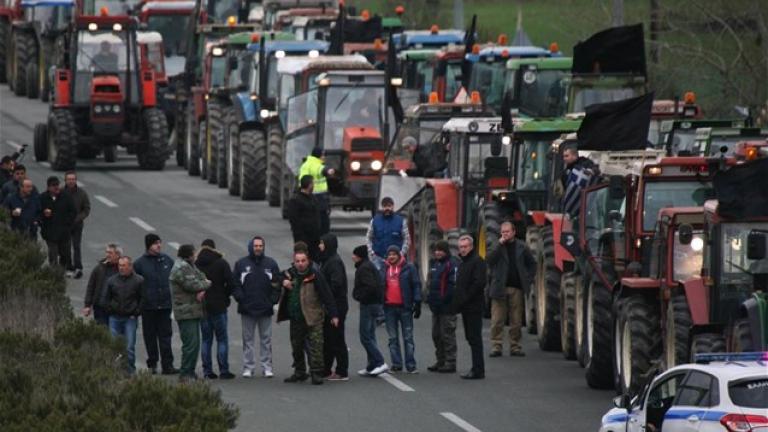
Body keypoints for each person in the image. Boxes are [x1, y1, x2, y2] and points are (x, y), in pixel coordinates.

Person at [277, 248, 339, 385]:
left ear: (308, 261)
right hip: (296, 317)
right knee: (296, 346)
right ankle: (300, 372)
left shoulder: (315, 275)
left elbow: (327, 295)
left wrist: (334, 314)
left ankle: (316, 372)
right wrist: (283, 281)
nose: (300, 264)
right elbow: (277, 276)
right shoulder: (290, 273)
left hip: (313, 317)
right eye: (297, 261)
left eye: (303, 261)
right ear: (294, 262)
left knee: (316, 346)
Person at [232, 236, 281, 379]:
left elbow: (277, 284)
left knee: (266, 339)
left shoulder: (271, 264)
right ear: (251, 247)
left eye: (260, 245)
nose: (258, 248)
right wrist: (241, 298)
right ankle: (248, 367)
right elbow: (235, 284)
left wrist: (272, 300)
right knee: (248, 340)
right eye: (256, 246)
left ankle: (267, 367)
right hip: (247, 309)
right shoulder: (241, 264)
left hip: (265, 309)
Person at [486, 221, 536, 357]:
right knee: (497, 319)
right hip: (499, 287)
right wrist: (499, 244)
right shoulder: (497, 246)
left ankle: (515, 346)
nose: (505, 234)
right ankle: (496, 345)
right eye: (503, 232)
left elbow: (532, 264)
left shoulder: (522, 247)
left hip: (517, 288)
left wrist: (528, 279)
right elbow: (489, 260)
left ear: (513, 232)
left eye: (507, 232)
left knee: (516, 320)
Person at [133, 233, 177, 375]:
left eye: (159, 242)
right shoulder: (140, 263)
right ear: (148, 245)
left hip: (165, 306)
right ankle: (152, 364)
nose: (159, 245)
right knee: (150, 337)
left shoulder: (167, 260)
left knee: (166, 336)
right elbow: (135, 285)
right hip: (148, 307)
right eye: (155, 243)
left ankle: (168, 365)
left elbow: (176, 277)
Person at [195, 239, 235, 380]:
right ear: (214, 248)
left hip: (203, 307)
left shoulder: (196, 264)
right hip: (219, 306)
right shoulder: (221, 263)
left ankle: (207, 371)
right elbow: (231, 283)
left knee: (206, 340)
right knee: (222, 339)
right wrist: (225, 296)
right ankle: (224, 370)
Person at [169, 244, 210, 382]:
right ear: (189, 255)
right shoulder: (181, 268)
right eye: (194, 253)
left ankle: (190, 371)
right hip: (186, 311)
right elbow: (193, 285)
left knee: (195, 344)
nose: (196, 256)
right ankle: (185, 373)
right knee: (190, 345)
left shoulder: (190, 266)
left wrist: (202, 283)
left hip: (192, 310)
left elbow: (201, 276)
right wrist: (205, 285)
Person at [380, 245, 421, 373]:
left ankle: (411, 365)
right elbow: (379, 286)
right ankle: (396, 364)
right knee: (392, 338)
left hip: (405, 307)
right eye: (389, 255)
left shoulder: (409, 268)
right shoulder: (384, 268)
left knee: (408, 338)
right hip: (389, 308)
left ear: (399, 255)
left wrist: (417, 301)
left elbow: (416, 285)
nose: (391, 257)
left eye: (394, 254)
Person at [452, 234, 487, 380]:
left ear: (471, 247)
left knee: (475, 338)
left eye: (465, 247)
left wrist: (466, 298)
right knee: (470, 337)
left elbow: (478, 283)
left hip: (474, 306)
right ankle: (476, 368)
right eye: (461, 247)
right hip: (465, 307)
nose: (463, 249)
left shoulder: (477, 261)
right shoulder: (463, 263)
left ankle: (478, 370)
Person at [352, 245, 388, 376]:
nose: (352, 257)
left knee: (365, 336)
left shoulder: (364, 268)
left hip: (369, 304)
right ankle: (372, 365)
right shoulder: (367, 266)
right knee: (371, 335)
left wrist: (359, 296)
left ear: (359, 256)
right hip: (374, 304)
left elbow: (371, 286)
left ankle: (379, 361)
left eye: (354, 255)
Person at [104, 256, 143, 374]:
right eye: (119, 265)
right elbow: (106, 298)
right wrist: (110, 310)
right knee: (114, 345)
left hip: (130, 318)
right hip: (114, 318)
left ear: (130, 266)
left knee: (129, 347)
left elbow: (143, 299)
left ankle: (130, 372)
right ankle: (115, 370)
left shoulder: (139, 280)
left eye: (124, 265)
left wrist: (136, 313)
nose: (121, 268)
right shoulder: (111, 280)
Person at [425, 240, 459, 373]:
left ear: (446, 251)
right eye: (436, 250)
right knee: (436, 335)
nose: (438, 252)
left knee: (448, 335)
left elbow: (453, 286)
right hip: (436, 307)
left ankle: (450, 362)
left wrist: (444, 300)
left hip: (447, 307)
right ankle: (440, 361)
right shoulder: (434, 264)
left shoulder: (452, 264)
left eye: (440, 250)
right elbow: (430, 283)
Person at [319, 233, 349, 381]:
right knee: (329, 339)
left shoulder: (334, 262)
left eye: (322, 243)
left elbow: (336, 285)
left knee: (337, 340)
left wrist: (324, 293)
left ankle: (342, 371)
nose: (320, 246)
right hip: (331, 306)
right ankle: (326, 369)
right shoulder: (327, 260)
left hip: (336, 307)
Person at [39, 176, 76, 269]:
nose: (56, 187)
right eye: (53, 185)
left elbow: (73, 211)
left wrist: (67, 223)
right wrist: (43, 215)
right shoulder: (42, 198)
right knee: (53, 253)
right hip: (50, 232)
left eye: (57, 185)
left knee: (65, 254)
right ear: (48, 187)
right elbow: (37, 212)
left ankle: (62, 269)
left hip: (64, 232)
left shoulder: (66, 196)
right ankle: (54, 273)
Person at [297, 148, 335, 235]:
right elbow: (319, 169)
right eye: (323, 155)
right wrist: (328, 171)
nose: (324, 157)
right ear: (318, 156)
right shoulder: (315, 164)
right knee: (323, 222)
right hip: (317, 197)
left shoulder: (306, 164)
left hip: (306, 196)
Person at [366, 196, 410, 271]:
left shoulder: (401, 221)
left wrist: (401, 254)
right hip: (378, 259)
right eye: (385, 206)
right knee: (379, 281)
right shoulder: (374, 221)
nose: (387, 208)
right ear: (382, 207)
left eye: (389, 206)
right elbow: (368, 238)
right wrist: (371, 253)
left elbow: (407, 239)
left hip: (396, 261)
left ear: (393, 207)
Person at [83, 243, 122, 326]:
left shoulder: (123, 269)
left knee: (114, 335)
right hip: (100, 307)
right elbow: (91, 286)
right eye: (107, 252)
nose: (107, 255)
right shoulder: (99, 268)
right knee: (102, 332)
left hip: (116, 310)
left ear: (118, 255)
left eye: (110, 253)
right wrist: (87, 305)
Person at [287, 175, 322, 262]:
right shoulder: (296, 200)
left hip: (315, 237)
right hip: (302, 238)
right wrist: (300, 235)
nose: (314, 185)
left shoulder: (313, 198)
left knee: (315, 260)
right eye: (313, 183)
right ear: (309, 185)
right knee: (303, 260)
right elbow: (293, 219)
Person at [560, 144, 599, 219]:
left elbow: (595, 171)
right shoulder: (565, 172)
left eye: (567, 156)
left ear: (574, 156)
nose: (564, 159)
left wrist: (591, 171)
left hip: (588, 206)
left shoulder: (585, 163)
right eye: (563, 156)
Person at [64, 171, 90, 279]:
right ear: (65, 180)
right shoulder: (61, 192)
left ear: (76, 180)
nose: (71, 181)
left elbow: (86, 209)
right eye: (69, 179)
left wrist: (78, 218)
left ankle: (78, 267)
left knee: (76, 246)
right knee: (66, 246)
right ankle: (68, 267)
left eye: (73, 179)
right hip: (65, 225)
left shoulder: (82, 193)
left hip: (77, 225)